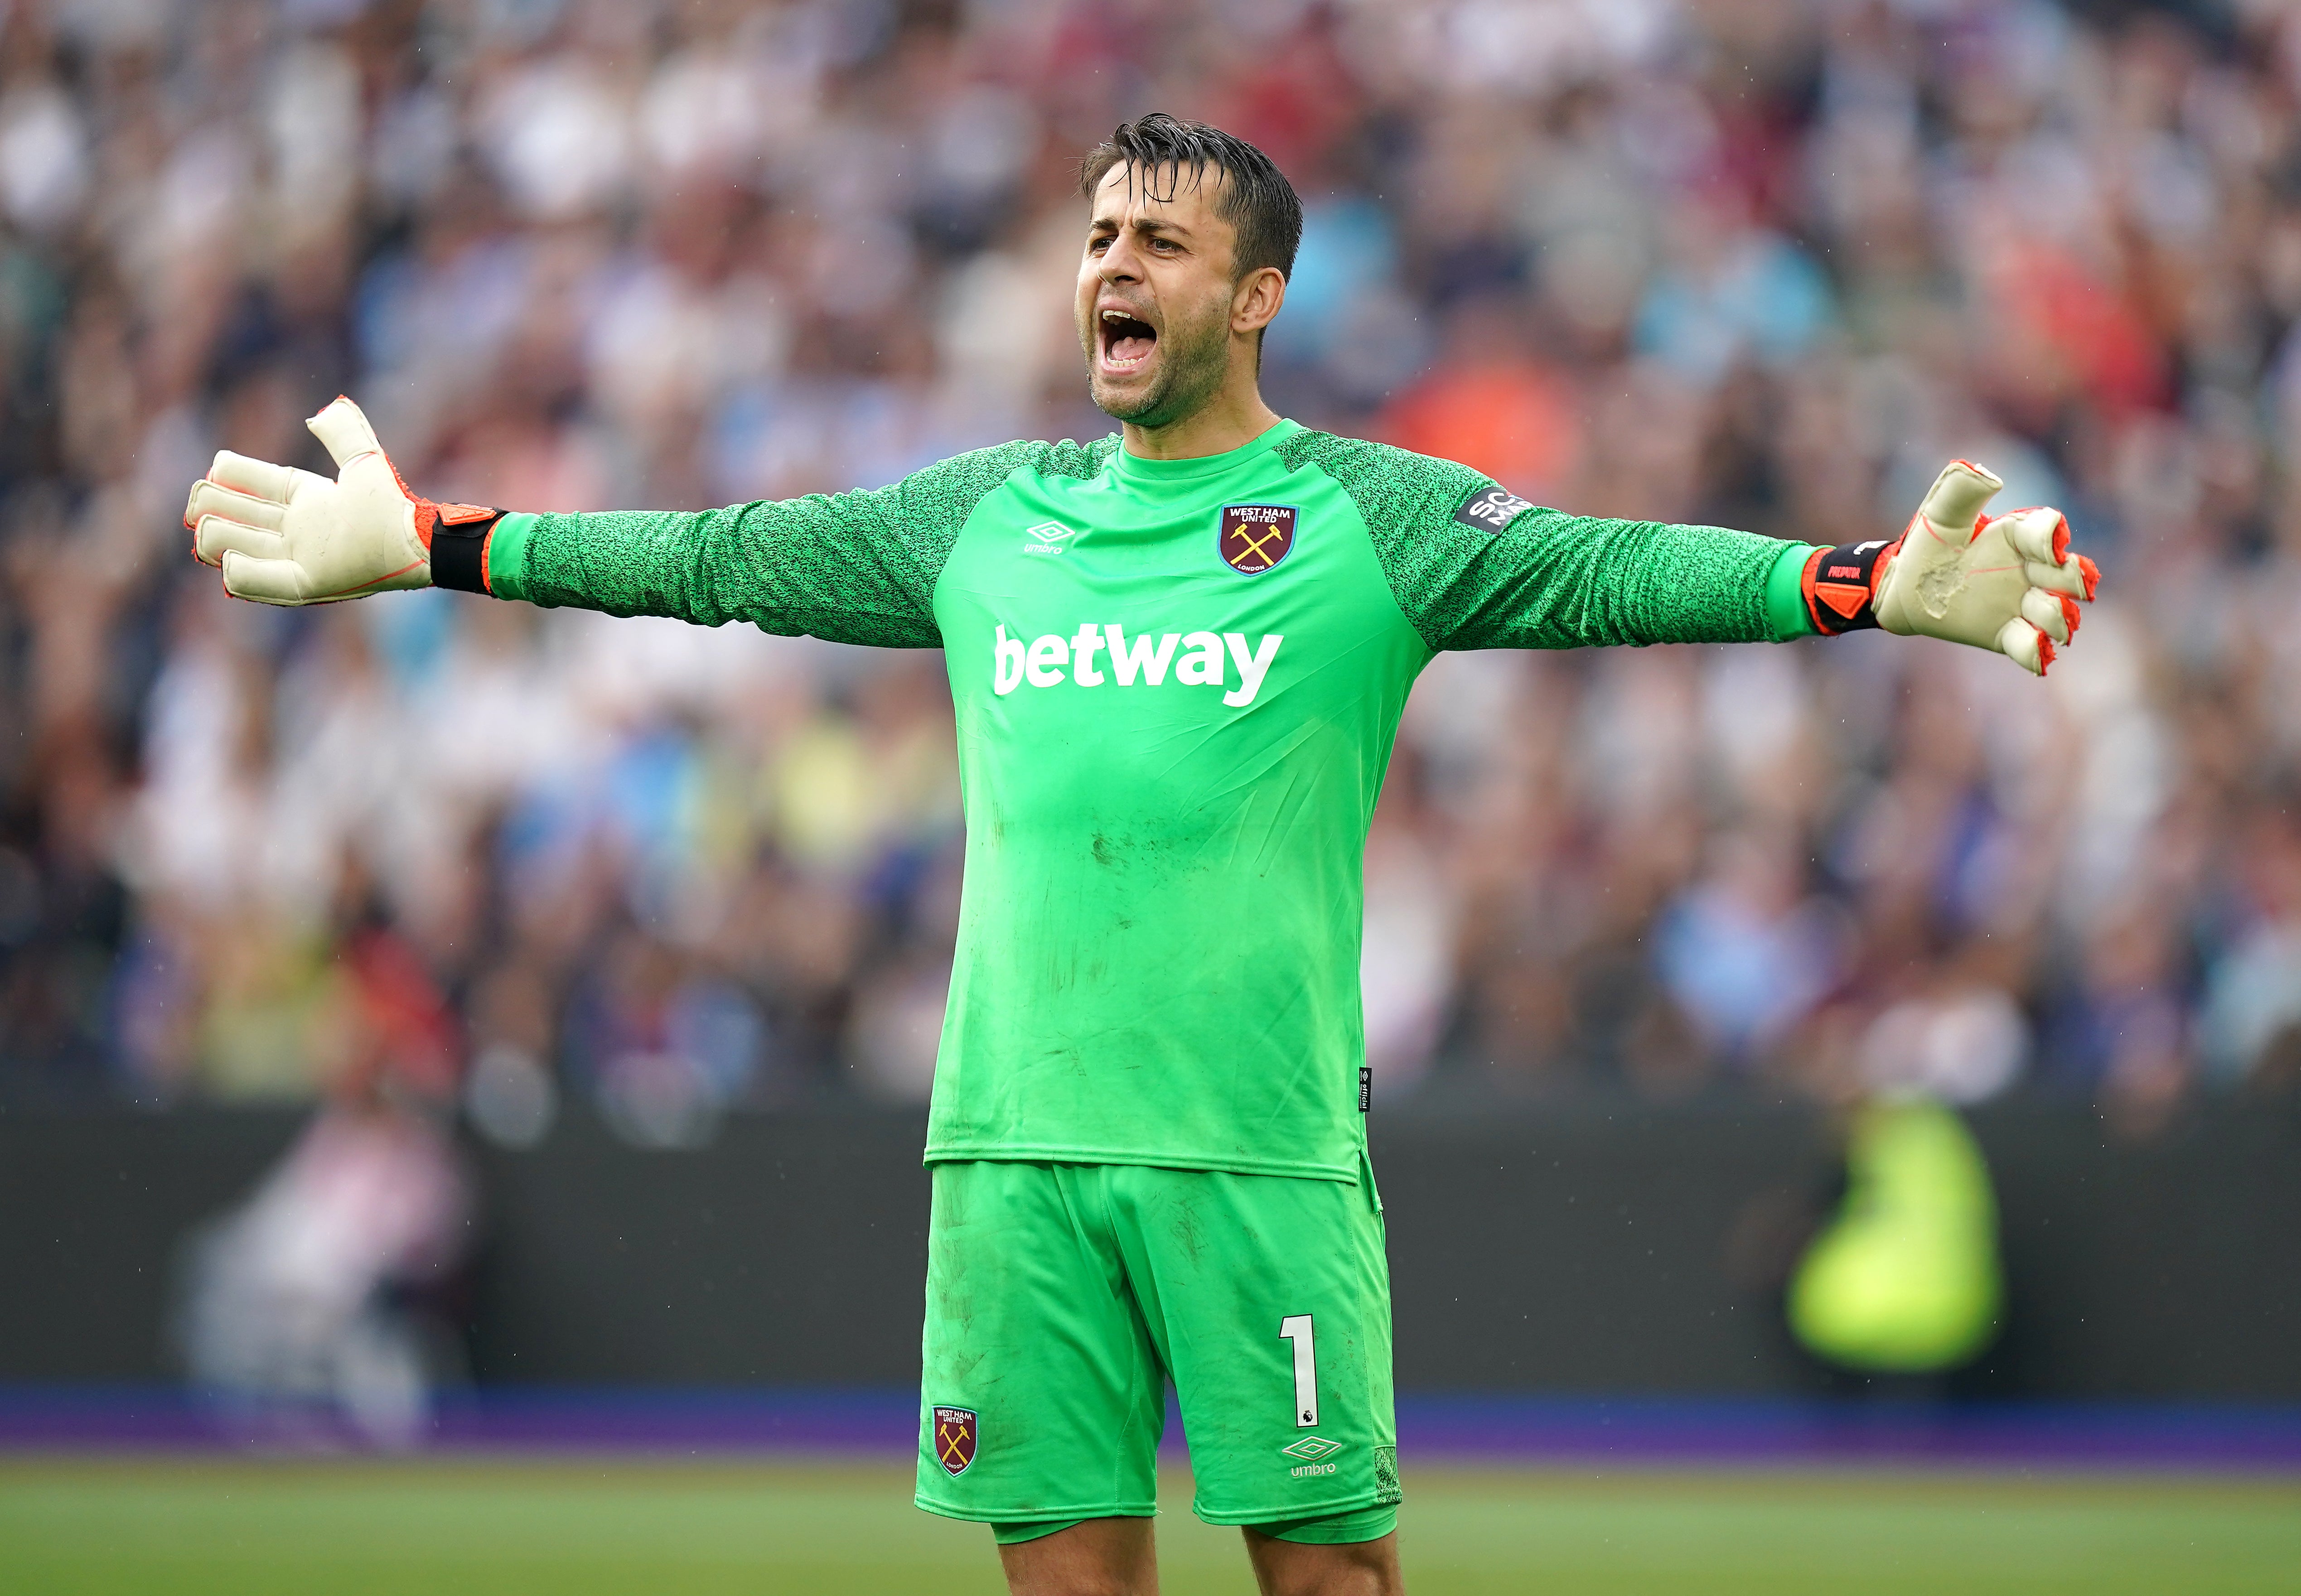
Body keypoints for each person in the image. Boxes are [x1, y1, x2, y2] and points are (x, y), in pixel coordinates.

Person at [182, 114, 2097, 1596]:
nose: (1112, 263)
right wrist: (434, 541)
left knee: (1331, 1567)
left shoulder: (1367, 513)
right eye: (1099, 235)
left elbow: (1614, 569)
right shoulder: (982, 518)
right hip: (1014, 1142)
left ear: (1250, 295)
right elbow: (710, 555)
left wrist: (1855, 584)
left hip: (1256, 1141)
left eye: (1158, 242)